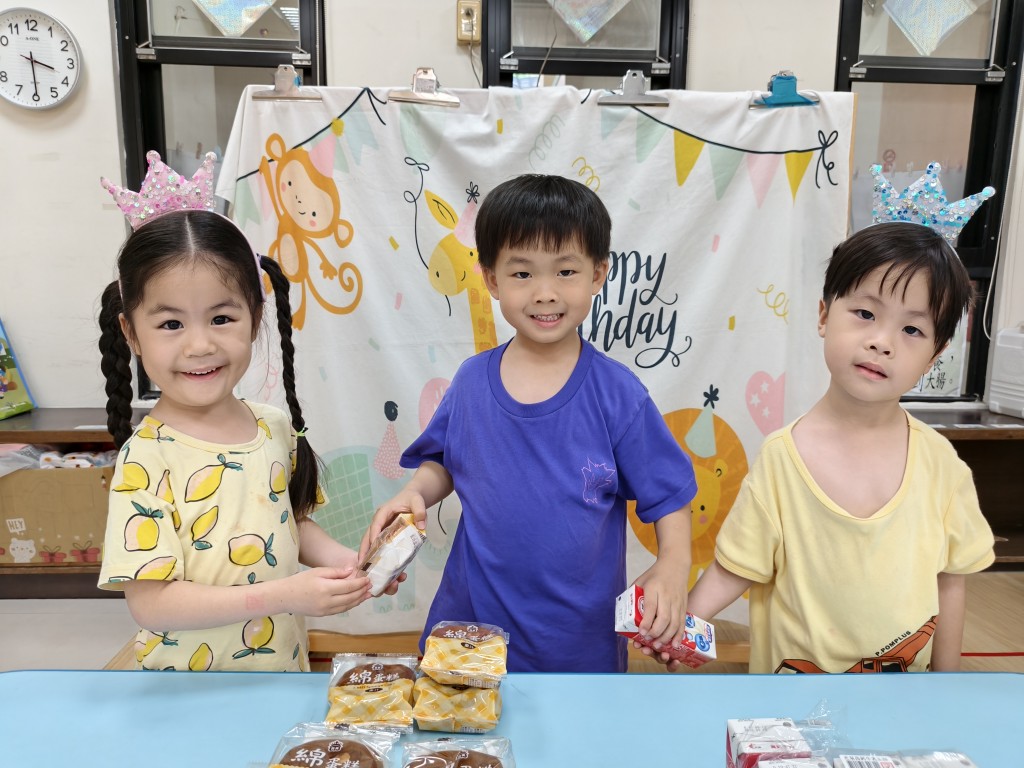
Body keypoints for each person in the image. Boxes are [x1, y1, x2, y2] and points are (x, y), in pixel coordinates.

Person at [360, 174, 697, 673]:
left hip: (578, 644)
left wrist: (673, 564)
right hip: (468, 630)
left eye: (566, 271)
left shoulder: (618, 394)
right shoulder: (472, 381)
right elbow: (446, 460)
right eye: (522, 273)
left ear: (598, 274)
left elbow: (668, 495)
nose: (544, 293)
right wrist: (415, 493)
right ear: (491, 279)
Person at [96, 167, 377, 670]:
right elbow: (151, 603)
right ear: (131, 332)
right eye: (170, 323)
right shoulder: (146, 459)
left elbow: (290, 522)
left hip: (280, 674)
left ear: (255, 317)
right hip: (188, 692)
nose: (200, 344)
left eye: (222, 318)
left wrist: (347, 564)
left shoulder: (272, 427)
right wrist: (285, 594)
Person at [687, 222, 995, 674]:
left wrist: (944, 687)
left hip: (902, 698)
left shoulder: (942, 465)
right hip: (792, 701)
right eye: (866, 314)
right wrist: (681, 625)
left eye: (912, 329)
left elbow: (950, 580)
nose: (881, 342)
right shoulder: (782, 457)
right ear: (824, 315)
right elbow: (737, 566)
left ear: (934, 355)